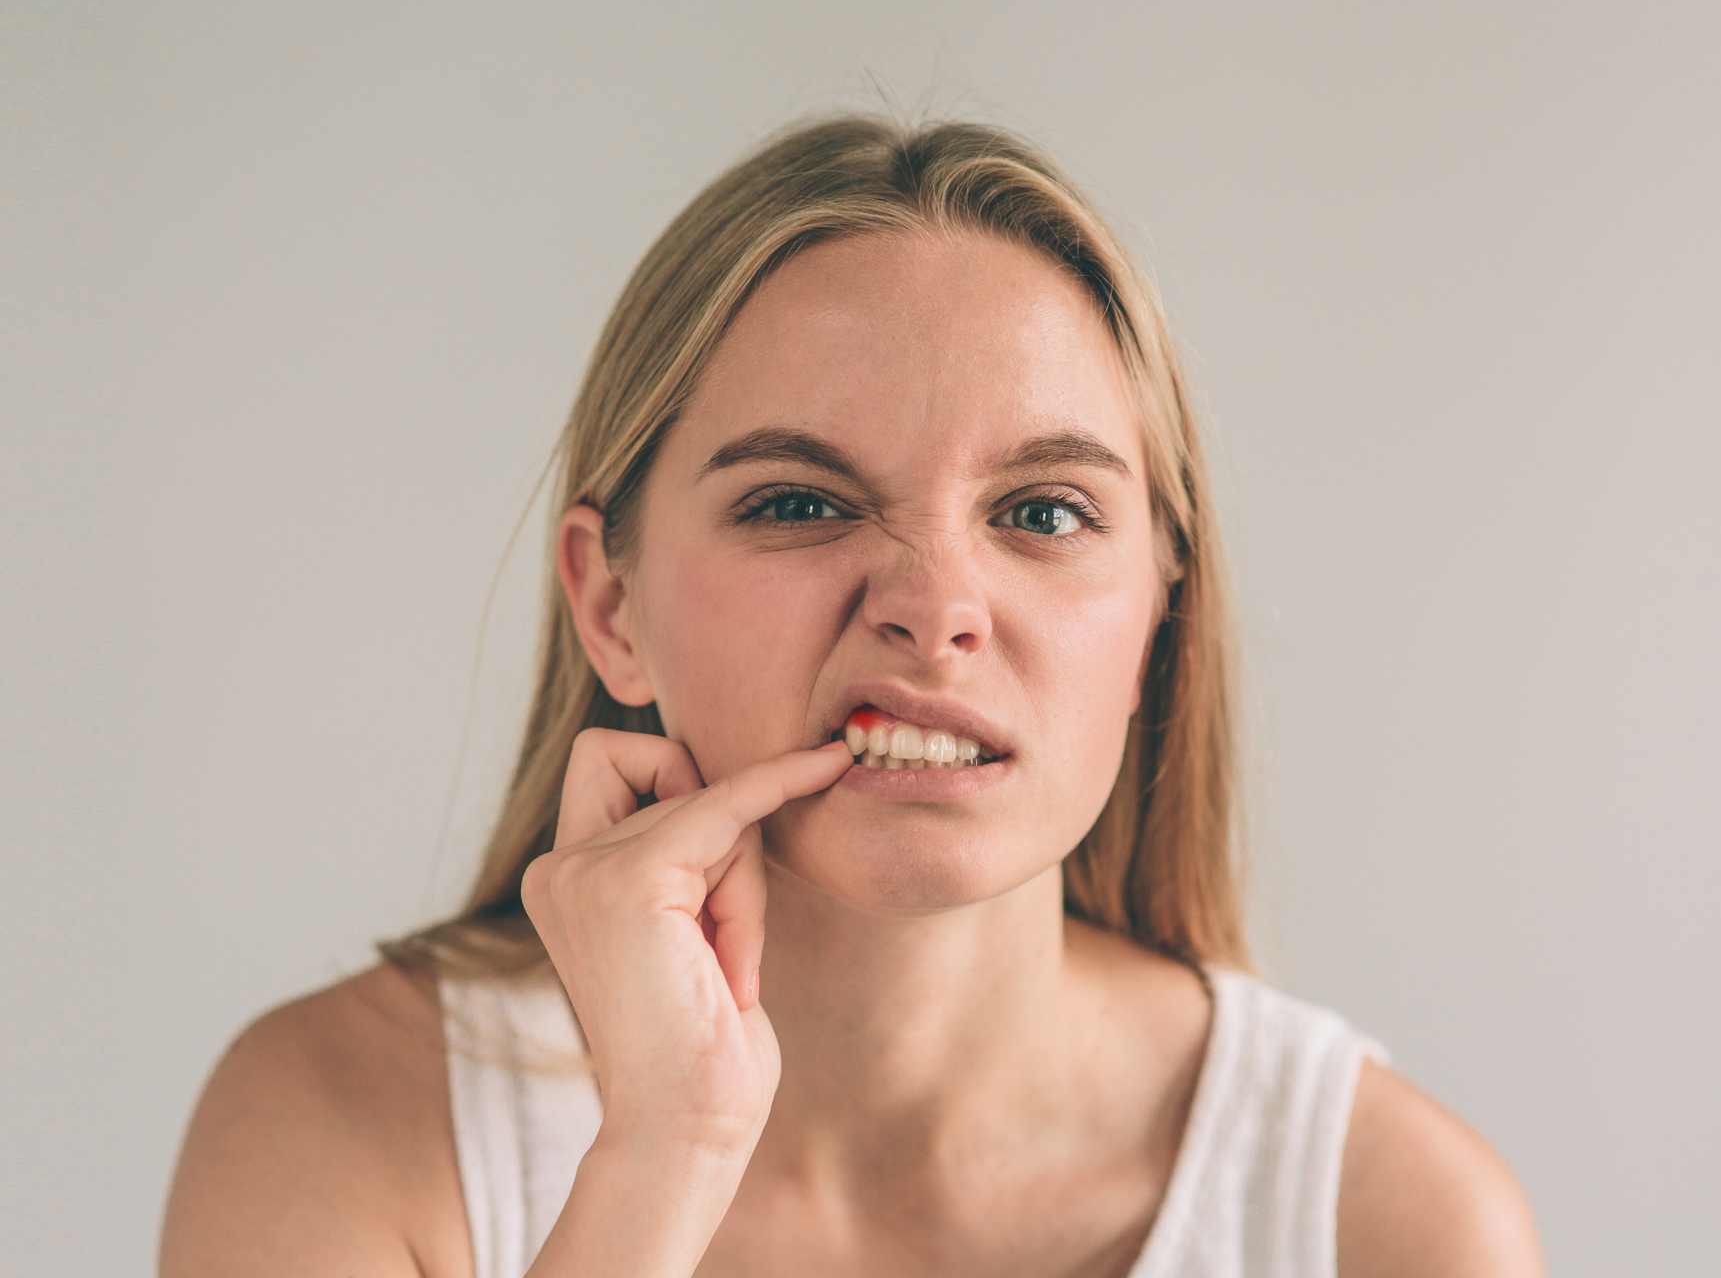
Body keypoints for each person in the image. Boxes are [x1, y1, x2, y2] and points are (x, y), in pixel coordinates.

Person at [160, 113, 1545, 1277]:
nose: (933, 607)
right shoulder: (338, 1126)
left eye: (1047, 512)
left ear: (1161, 615)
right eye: (802, 500)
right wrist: (663, 1156)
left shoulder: (1389, 1219)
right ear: (610, 604)